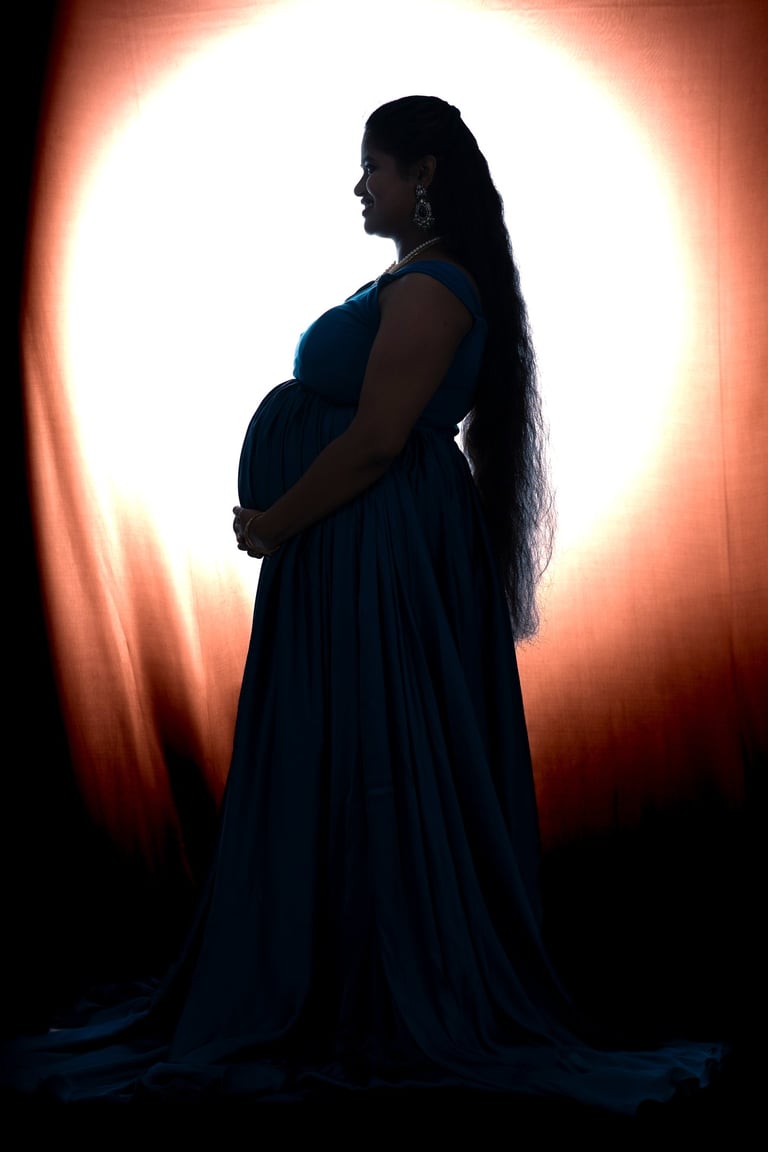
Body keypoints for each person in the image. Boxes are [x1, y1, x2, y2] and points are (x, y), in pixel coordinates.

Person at [1, 95, 726, 1116]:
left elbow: (381, 439)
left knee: (380, 746)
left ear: (423, 176)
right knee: (346, 748)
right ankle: (334, 967)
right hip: (357, 550)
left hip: (374, 553)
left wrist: (277, 521)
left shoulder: (435, 289)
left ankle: (381, 988)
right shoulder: (412, 280)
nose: (358, 186)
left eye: (373, 168)